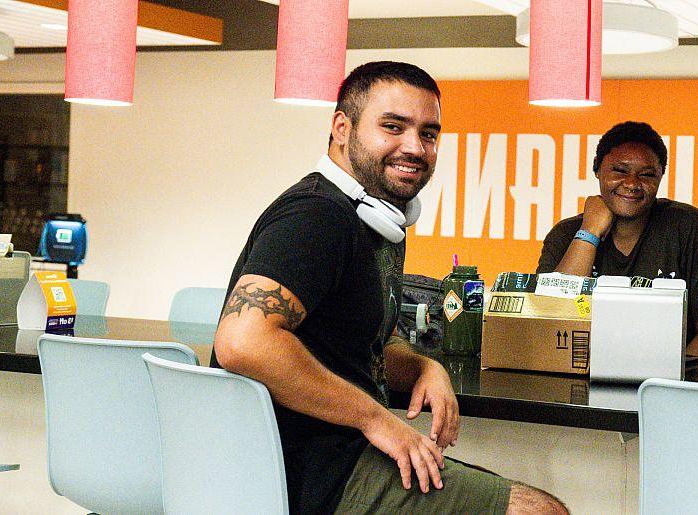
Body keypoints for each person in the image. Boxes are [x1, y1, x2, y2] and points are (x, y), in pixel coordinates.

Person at [213, 61, 566, 514]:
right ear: (342, 127)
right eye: (393, 127)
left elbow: (368, 338)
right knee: (538, 512)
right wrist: (376, 419)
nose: (414, 147)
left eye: (429, 134)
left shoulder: (375, 217)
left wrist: (423, 368)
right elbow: (242, 341)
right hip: (309, 477)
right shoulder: (317, 216)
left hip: (334, 462)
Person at [537, 121, 698, 360]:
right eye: (620, 171)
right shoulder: (566, 234)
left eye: (647, 174)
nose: (632, 183)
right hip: (578, 384)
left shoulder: (690, 228)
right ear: (597, 169)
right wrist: (589, 233)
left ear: (661, 176)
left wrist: (661, 384)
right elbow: (547, 323)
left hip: (667, 388)